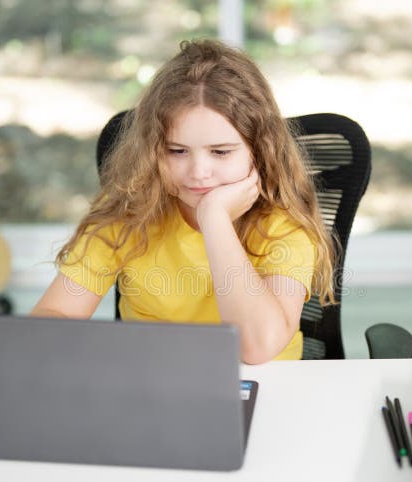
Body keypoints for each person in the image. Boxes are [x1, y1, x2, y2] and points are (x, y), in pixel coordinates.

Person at [31, 39, 337, 364]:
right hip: (154, 382)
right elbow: (55, 312)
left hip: (259, 386)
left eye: (220, 152)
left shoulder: (283, 224)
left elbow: (255, 348)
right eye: (177, 151)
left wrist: (215, 219)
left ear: (259, 150)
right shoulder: (130, 211)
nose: (198, 173)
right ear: (152, 150)